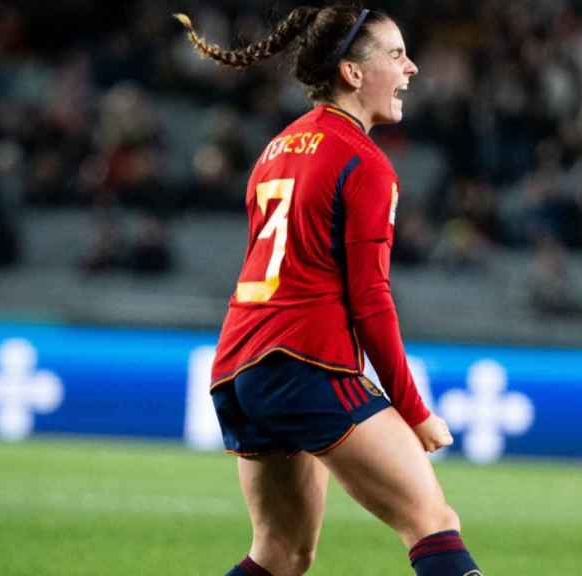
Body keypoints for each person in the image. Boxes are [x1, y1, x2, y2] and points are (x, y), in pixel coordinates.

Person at [176, 6, 482, 576]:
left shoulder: (276, 150)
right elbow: (371, 300)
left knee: (281, 554)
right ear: (353, 73)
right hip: (303, 363)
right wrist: (413, 412)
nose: (411, 67)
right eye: (395, 54)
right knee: (433, 521)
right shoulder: (363, 162)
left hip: (241, 368)